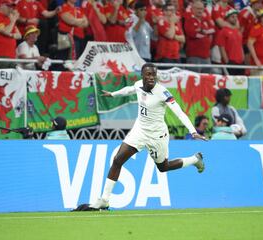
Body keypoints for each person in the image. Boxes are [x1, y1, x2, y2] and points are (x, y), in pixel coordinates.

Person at [85, 63, 206, 210]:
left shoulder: (163, 92)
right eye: (148, 74)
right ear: (142, 76)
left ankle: (194, 160)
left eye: (154, 74)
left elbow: (179, 112)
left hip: (157, 136)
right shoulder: (138, 85)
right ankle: (104, 199)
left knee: (163, 167)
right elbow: (129, 90)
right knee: (117, 160)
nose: (151, 77)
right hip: (140, 131)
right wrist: (113, 94)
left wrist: (193, 131)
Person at [184, 0, 215, 73]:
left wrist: (201, 31)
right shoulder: (189, 21)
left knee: (207, 79)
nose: (200, 11)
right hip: (194, 56)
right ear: (193, 9)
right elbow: (192, 33)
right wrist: (205, 33)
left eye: (201, 9)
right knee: (194, 77)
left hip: (206, 56)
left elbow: (213, 29)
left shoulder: (206, 20)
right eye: (198, 9)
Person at [0, 0, 21, 68]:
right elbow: (6, 31)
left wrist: (10, 35)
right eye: (8, 6)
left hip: (12, 55)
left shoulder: (9, 19)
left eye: (11, 7)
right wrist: (13, 21)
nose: (10, 9)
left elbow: (19, 35)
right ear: (1, 6)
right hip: (0, 55)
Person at [217, 9, 244, 75]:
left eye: (236, 17)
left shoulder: (238, 32)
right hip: (230, 62)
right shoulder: (223, 31)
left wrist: (243, 59)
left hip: (240, 62)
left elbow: (240, 46)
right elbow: (221, 47)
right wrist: (227, 62)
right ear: (227, 18)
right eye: (232, 17)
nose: (235, 18)